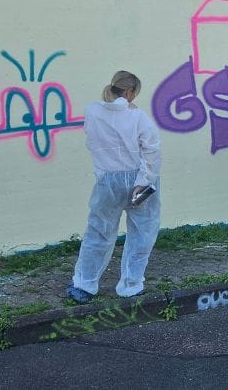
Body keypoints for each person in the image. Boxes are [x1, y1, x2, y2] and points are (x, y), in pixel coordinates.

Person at [67, 70, 162, 303]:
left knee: (98, 232)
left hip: (108, 181)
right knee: (142, 233)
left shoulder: (92, 111)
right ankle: (131, 285)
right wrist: (144, 182)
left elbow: (93, 141)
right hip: (140, 180)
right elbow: (152, 150)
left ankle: (84, 285)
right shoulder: (138, 116)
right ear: (129, 92)